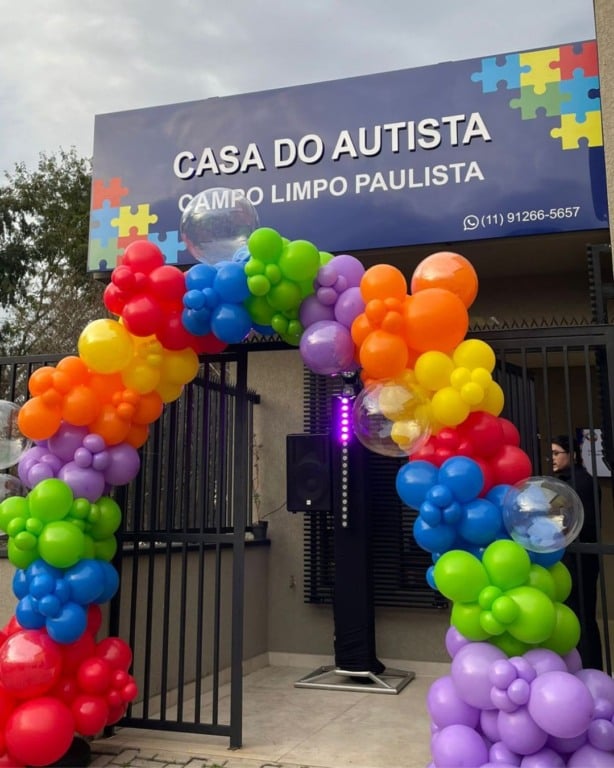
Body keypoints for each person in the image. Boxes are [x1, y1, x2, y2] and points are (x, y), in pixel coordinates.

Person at [552, 434, 603, 669]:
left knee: (581, 616)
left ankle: (589, 668)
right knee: (579, 616)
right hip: (577, 557)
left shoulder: (578, 482)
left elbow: (571, 523)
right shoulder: (571, 480)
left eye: (556, 453)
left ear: (571, 455)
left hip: (579, 558)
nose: (551, 458)